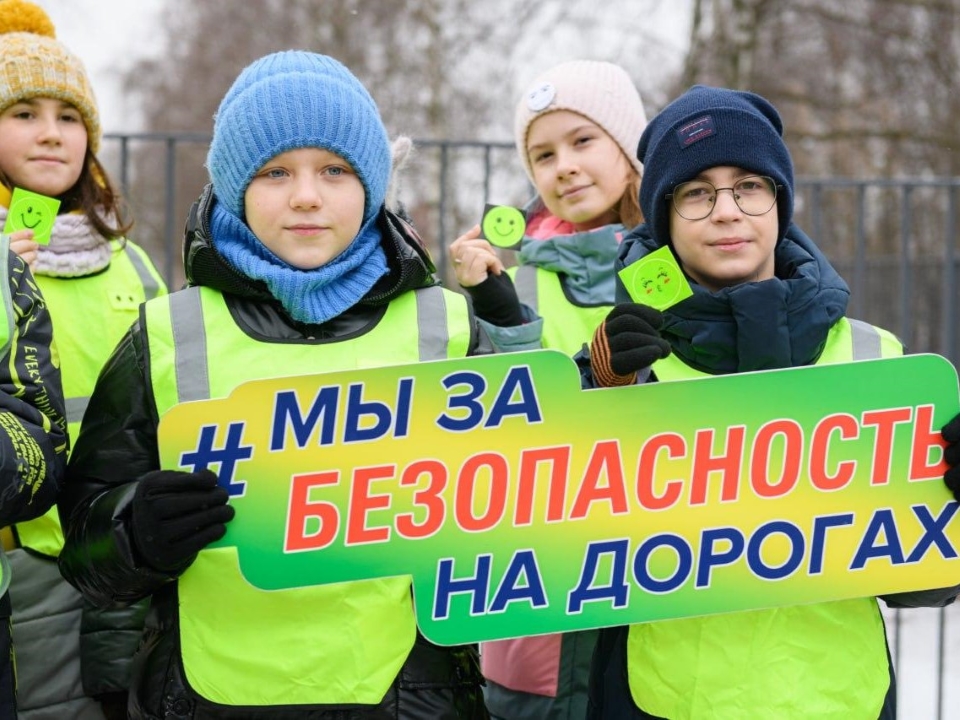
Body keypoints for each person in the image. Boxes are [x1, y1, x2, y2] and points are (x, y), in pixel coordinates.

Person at [56, 49, 490, 719]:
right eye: (275, 171)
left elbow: (527, 510)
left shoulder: (449, 327)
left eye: (336, 170)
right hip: (207, 696)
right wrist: (134, 534)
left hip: (408, 699)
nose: (307, 195)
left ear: (373, 184)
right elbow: (84, 544)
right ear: (235, 186)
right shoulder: (167, 333)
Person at [582, 84, 960, 719]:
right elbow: (555, 566)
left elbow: (926, 585)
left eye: (749, 186)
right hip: (661, 702)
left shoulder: (875, 357)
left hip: (843, 703)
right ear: (663, 216)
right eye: (697, 192)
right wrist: (592, 397)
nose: (727, 211)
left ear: (779, 203)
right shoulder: (622, 360)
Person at [448, 59, 647, 719]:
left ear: (628, 149)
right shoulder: (503, 285)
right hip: (535, 616)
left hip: (661, 604)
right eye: (543, 153)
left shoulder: (680, 269)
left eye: (582, 140)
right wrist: (498, 318)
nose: (563, 165)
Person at [0, 1, 167, 717]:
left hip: (121, 550)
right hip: (21, 552)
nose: (50, 134)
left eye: (69, 117)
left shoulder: (134, 265)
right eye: (24, 113)